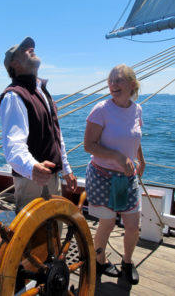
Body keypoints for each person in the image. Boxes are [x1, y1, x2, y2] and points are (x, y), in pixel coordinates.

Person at [0, 36, 77, 214]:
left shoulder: (42, 92)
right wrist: (31, 168)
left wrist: (66, 169)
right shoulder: (14, 96)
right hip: (32, 180)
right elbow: (13, 145)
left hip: (50, 176)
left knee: (54, 230)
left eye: (30, 46)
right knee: (35, 238)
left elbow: (56, 136)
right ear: (15, 64)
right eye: (23, 49)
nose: (30, 48)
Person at [84, 64, 145, 285]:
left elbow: (134, 137)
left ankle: (127, 262)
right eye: (111, 81)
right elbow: (89, 146)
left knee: (132, 225)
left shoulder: (137, 109)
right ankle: (99, 260)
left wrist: (141, 159)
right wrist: (119, 157)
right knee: (107, 224)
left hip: (127, 178)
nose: (113, 84)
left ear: (132, 84)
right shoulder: (101, 110)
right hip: (102, 176)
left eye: (118, 80)